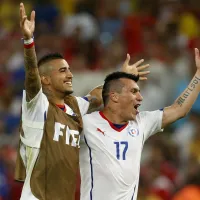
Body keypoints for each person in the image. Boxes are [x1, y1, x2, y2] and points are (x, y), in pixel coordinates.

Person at [15, 3, 150, 200]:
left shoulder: (74, 106)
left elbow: (97, 96)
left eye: (69, 69)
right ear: (46, 80)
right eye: (62, 71)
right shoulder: (37, 106)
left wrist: (121, 77)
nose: (70, 74)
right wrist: (28, 41)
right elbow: (32, 77)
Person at [79, 48, 200, 200]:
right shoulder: (87, 124)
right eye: (134, 91)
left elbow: (179, 109)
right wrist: (122, 77)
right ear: (115, 97)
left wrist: (198, 75)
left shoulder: (141, 123)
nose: (140, 97)